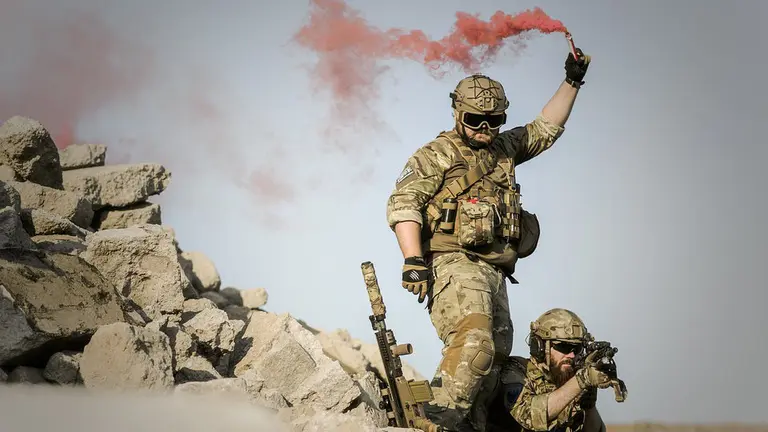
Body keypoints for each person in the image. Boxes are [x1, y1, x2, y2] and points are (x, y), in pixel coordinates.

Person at [384, 45, 591, 431]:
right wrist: (412, 259)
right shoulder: (437, 154)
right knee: (474, 343)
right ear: (457, 113)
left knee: (493, 363)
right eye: (475, 119)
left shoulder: (503, 149)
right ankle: (433, 421)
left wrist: (572, 81)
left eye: (494, 120)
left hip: (495, 272)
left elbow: (544, 129)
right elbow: (403, 203)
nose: (484, 127)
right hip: (454, 264)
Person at [485, 308, 613, 432]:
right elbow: (530, 415)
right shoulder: (515, 370)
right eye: (564, 347)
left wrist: (589, 405)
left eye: (577, 348)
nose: (571, 355)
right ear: (540, 346)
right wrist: (581, 380)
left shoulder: (571, 380)